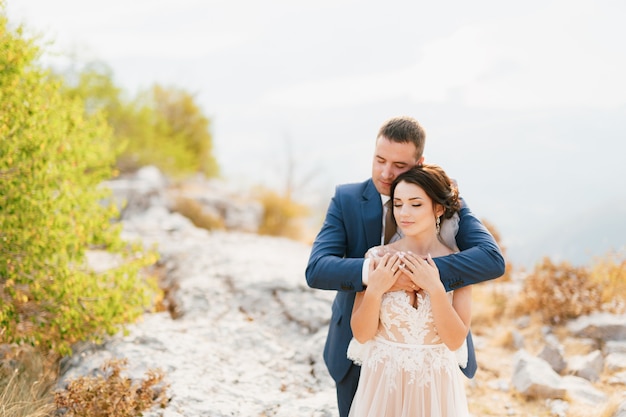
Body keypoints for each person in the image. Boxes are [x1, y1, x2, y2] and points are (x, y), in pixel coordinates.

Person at [305, 116, 505, 417]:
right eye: (379, 159)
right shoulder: (346, 200)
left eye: (399, 166)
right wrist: (377, 277)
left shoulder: (445, 202)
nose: (386, 172)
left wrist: (426, 276)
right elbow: (317, 268)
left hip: (434, 362)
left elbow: (491, 259)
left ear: (419, 163)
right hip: (362, 350)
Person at [347, 165, 471, 417]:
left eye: (415, 204)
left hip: (436, 389)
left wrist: (436, 289)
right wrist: (375, 291)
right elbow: (361, 334)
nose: (404, 213)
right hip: (383, 385)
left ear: (438, 208)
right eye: (398, 204)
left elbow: (455, 340)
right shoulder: (378, 257)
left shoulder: (459, 264)